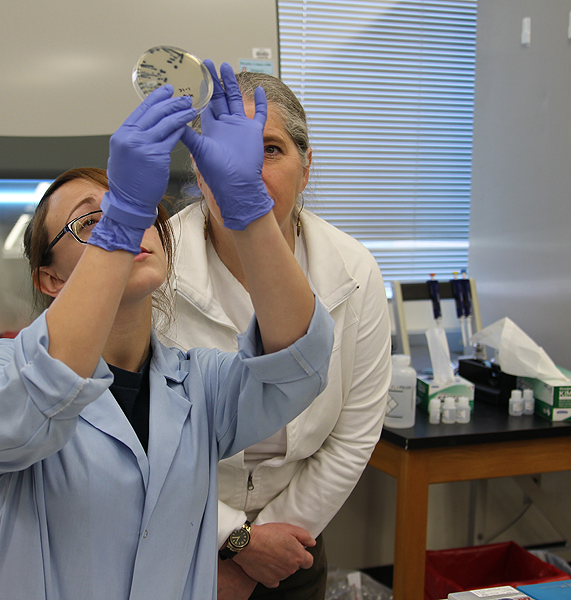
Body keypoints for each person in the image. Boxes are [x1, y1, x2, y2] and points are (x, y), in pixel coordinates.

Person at [0, 63, 335, 600]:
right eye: (92, 222)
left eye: (134, 213)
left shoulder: (199, 385)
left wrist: (246, 206)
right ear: (50, 277)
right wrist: (124, 214)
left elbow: (298, 364)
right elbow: (29, 410)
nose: (125, 230)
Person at [159, 68, 392, 599]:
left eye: (269, 149)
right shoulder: (155, 268)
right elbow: (136, 433)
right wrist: (232, 540)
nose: (244, 168)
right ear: (198, 168)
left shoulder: (354, 272)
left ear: (306, 168)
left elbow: (354, 433)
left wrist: (263, 552)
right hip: (173, 535)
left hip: (293, 545)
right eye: (224, 149)